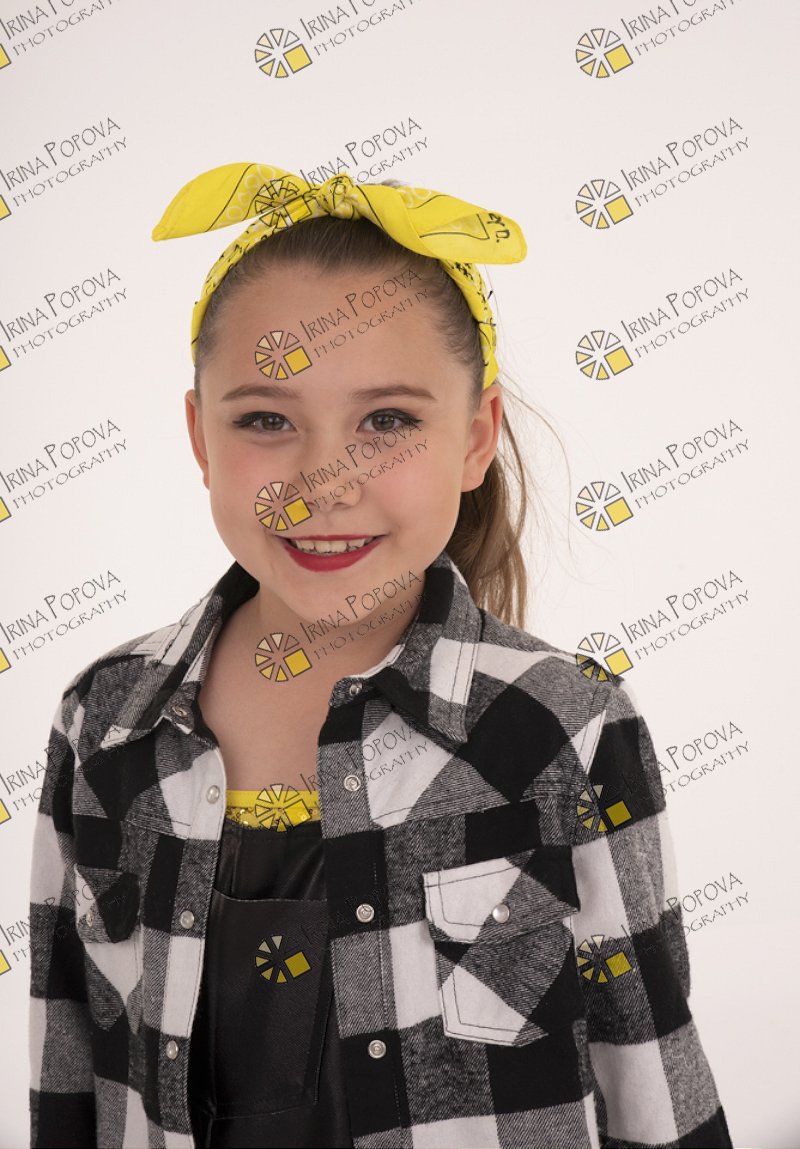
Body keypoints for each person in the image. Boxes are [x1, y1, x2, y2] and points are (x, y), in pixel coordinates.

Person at [28, 163, 734, 1149]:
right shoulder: (105, 722)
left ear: (474, 438)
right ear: (199, 436)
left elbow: (652, 1079)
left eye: (387, 421)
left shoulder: (562, 728)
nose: (324, 482)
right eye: (266, 419)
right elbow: (66, 1071)